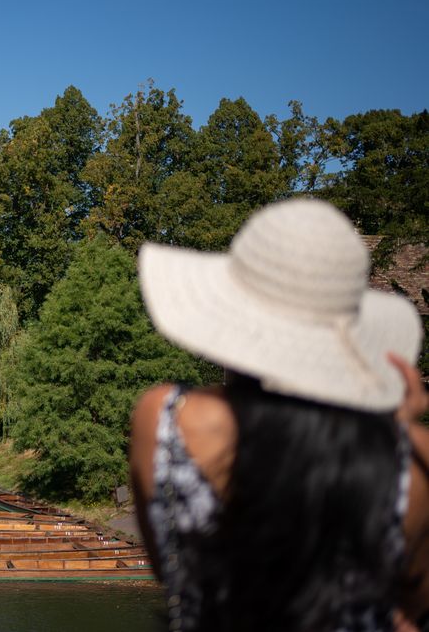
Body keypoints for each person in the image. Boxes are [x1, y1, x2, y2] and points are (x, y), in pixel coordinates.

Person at [129, 199, 429, 631]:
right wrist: (398, 430)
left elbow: (172, 568)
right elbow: (408, 605)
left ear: (231, 318)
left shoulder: (165, 420)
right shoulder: (413, 466)